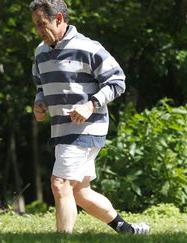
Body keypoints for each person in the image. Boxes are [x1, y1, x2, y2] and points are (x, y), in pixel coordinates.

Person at [29, 0, 150, 234]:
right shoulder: (40, 52)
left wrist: (90, 105)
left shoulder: (88, 47)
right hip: (61, 130)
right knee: (80, 191)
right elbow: (40, 86)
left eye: (42, 24)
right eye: (35, 25)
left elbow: (117, 81)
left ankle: (62, 239)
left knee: (60, 184)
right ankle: (127, 230)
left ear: (59, 19)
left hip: (86, 128)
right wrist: (39, 103)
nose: (38, 30)